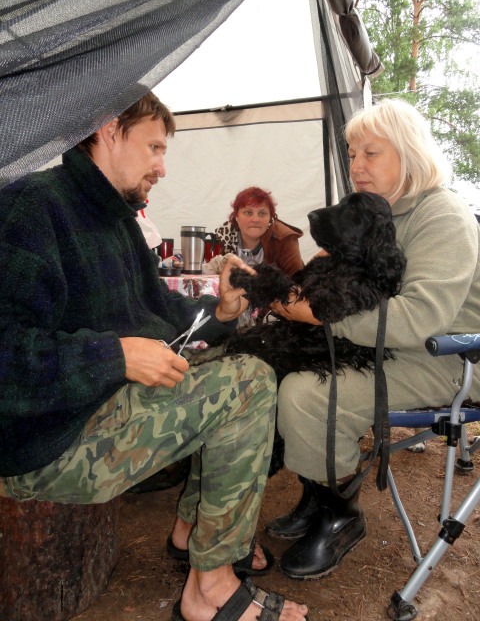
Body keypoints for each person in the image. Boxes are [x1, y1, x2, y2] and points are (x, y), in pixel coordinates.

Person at [0, 92, 309, 621]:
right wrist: (113, 357)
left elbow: (160, 312)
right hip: (46, 441)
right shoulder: (32, 208)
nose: (162, 168)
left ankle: (191, 531)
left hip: (99, 402)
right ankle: (208, 590)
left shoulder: (116, 219)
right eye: (154, 148)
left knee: (243, 359)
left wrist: (222, 312)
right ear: (108, 129)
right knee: (249, 383)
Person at [262, 98, 480, 580]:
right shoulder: (381, 213)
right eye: (351, 154)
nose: (356, 165)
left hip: (450, 356)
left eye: (371, 153)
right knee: (278, 366)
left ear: (409, 153)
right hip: (389, 348)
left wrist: (319, 313)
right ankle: (318, 493)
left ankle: (341, 516)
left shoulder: (442, 217)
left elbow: (417, 318)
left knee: (306, 394)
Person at [209, 186, 304, 277]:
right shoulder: (223, 238)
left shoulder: (284, 238)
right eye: (248, 212)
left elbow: (299, 282)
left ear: (270, 218)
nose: (255, 219)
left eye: (262, 213)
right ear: (236, 216)